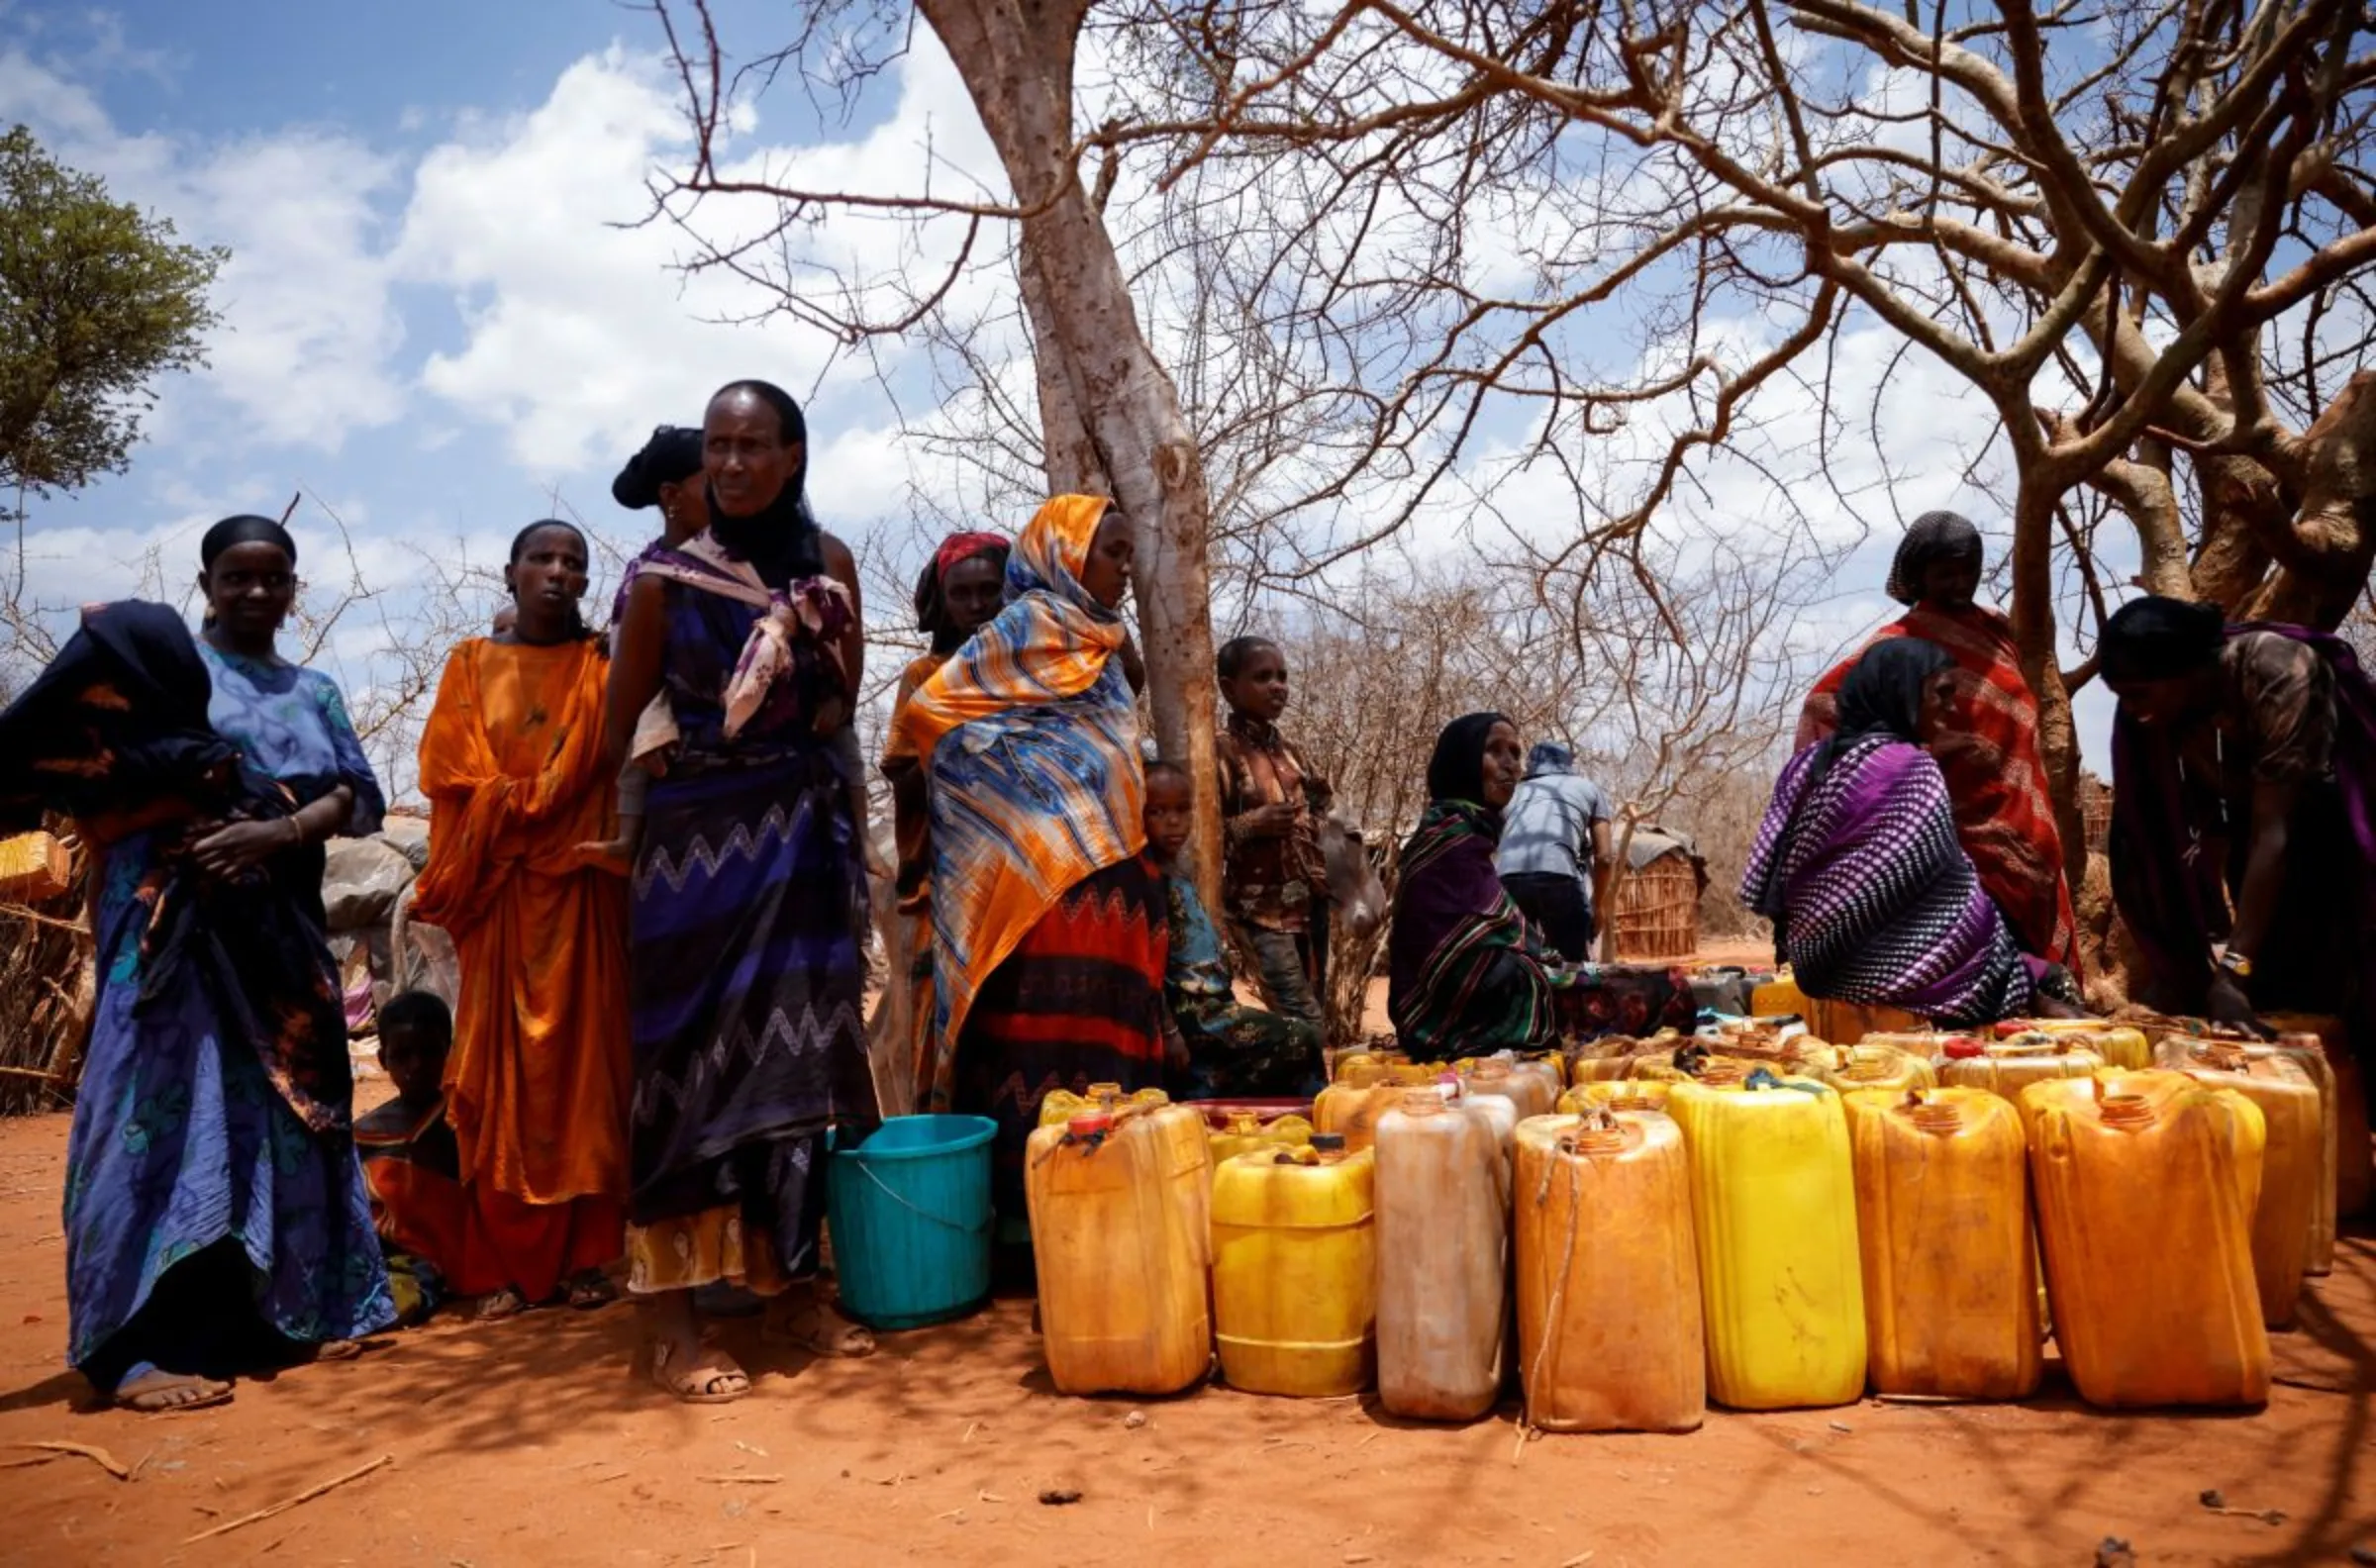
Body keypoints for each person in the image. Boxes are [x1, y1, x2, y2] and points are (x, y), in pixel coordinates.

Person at [0, 517, 394, 1412]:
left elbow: (355, 795)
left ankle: (273, 1317)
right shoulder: (155, 675)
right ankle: (130, 1345)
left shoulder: (316, 690)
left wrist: (278, 827)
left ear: (296, 586)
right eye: (237, 577)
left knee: (280, 1122)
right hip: (167, 942)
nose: (257, 594)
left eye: (275, 578)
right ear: (207, 581)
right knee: (153, 1119)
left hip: (279, 946)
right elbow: (83, 770)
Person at [604, 379, 878, 1402]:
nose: (729, 464)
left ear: (793, 456)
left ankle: (787, 1287)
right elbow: (618, 720)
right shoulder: (662, 578)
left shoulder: (832, 566)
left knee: (798, 1065)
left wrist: (803, 640)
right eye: (717, 446)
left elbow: (839, 702)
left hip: (800, 843)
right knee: (682, 1073)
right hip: (693, 858)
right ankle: (670, 1323)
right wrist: (617, 840)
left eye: (752, 445)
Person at [890, 494, 1165, 1252]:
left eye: (1126, 555)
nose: (1122, 570)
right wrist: (1025, 818)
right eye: (1110, 553)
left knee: (1105, 1067)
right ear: (1065, 556)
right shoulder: (1023, 633)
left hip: (1115, 902)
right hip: (1035, 908)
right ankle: (1024, 1234)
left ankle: (1101, 1222)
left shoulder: (1103, 647)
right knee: (1030, 1062)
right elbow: (932, 721)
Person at [409, 521, 631, 1320]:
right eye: (543, 558)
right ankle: (502, 1263)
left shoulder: (604, 668)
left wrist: (535, 808)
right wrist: (526, 803)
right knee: (503, 1083)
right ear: (510, 572)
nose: (559, 572)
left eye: (575, 562)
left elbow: (620, 756)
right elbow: (452, 773)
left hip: (581, 894)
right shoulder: (470, 665)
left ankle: (588, 1258)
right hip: (502, 897)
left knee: (587, 1076)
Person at [1745, 638, 2082, 1028]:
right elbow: (1951, 891)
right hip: (1886, 974)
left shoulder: (1805, 766)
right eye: (1941, 693)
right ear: (1903, 690)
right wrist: (2002, 955)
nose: (1951, 708)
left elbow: (1765, 877)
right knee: (2034, 974)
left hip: (1816, 968)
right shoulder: (1909, 768)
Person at [1798, 511, 2081, 973]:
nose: (1959, 582)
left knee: (2029, 974)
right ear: (1918, 575)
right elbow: (1823, 704)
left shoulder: (1998, 633)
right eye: (1944, 572)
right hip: (1953, 836)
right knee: (1975, 963)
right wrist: (1905, 760)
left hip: (2023, 827)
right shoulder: (1897, 646)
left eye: (1968, 569)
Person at [2103, 595, 2376, 1036]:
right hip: (2261, 850)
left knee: (2346, 1004)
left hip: (2331, 846)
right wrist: (2187, 962)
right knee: (2269, 1003)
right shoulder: (2170, 709)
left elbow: (2275, 833)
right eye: (2121, 698)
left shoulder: (2279, 669)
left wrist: (2232, 970)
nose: (2130, 711)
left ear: (2187, 670)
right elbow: (2207, 829)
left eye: (2138, 695)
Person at [878, 531, 1011, 1115]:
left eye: (990, 590)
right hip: (946, 878)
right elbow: (903, 775)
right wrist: (955, 725)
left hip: (1022, 875)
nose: (978, 605)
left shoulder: (1035, 670)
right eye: (963, 593)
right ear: (942, 599)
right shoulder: (924, 676)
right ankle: (940, 1143)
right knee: (940, 1019)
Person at [1387, 713, 1567, 1054]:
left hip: (1479, 999)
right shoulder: (1450, 840)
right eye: (1494, 751)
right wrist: (1539, 969)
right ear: (1462, 760)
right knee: (1651, 992)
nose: (1510, 765)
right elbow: (1464, 966)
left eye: (1515, 753)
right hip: (1455, 1018)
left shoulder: (1468, 833)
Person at [1145, 760, 1325, 1098]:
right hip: (1194, 1015)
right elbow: (1147, 968)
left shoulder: (1174, 873)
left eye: (1182, 811)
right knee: (1298, 1038)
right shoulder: (1146, 882)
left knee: (1295, 1038)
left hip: (1216, 1005)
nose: (1174, 822)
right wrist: (1169, 1031)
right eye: (1157, 812)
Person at [1215, 636, 1335, 1030]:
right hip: (1260, 913)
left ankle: (1310, 1092)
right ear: (1230, 689)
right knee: (1302, 1021)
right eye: (1263, 677)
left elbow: (1322, 819)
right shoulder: (1219, 752)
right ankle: (1309, 1092)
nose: (1278, 686)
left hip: (1310, 909)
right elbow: (1196, 836)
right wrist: (1252, 824)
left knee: (1312, 1013)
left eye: (1282, 676)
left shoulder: (1292, 752)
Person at [356, 991, 466, 1325]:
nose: (415, 1066)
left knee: (394, 1300)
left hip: (433, 1263)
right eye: (402, 1055)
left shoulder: (462, 1121)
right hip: (383, 1256)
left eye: (429, 1052)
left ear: (450, 1050)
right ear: (381, 1059)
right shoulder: (362, 1134)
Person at [1496, 740, 1616, 963]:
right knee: (1572, 966)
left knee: (1516, 963)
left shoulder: (1512, 793)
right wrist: (1598, 906)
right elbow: (1605, 858)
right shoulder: (1588, 789)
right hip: (1559, 876)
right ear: (1568, 764)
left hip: (1506, 878)